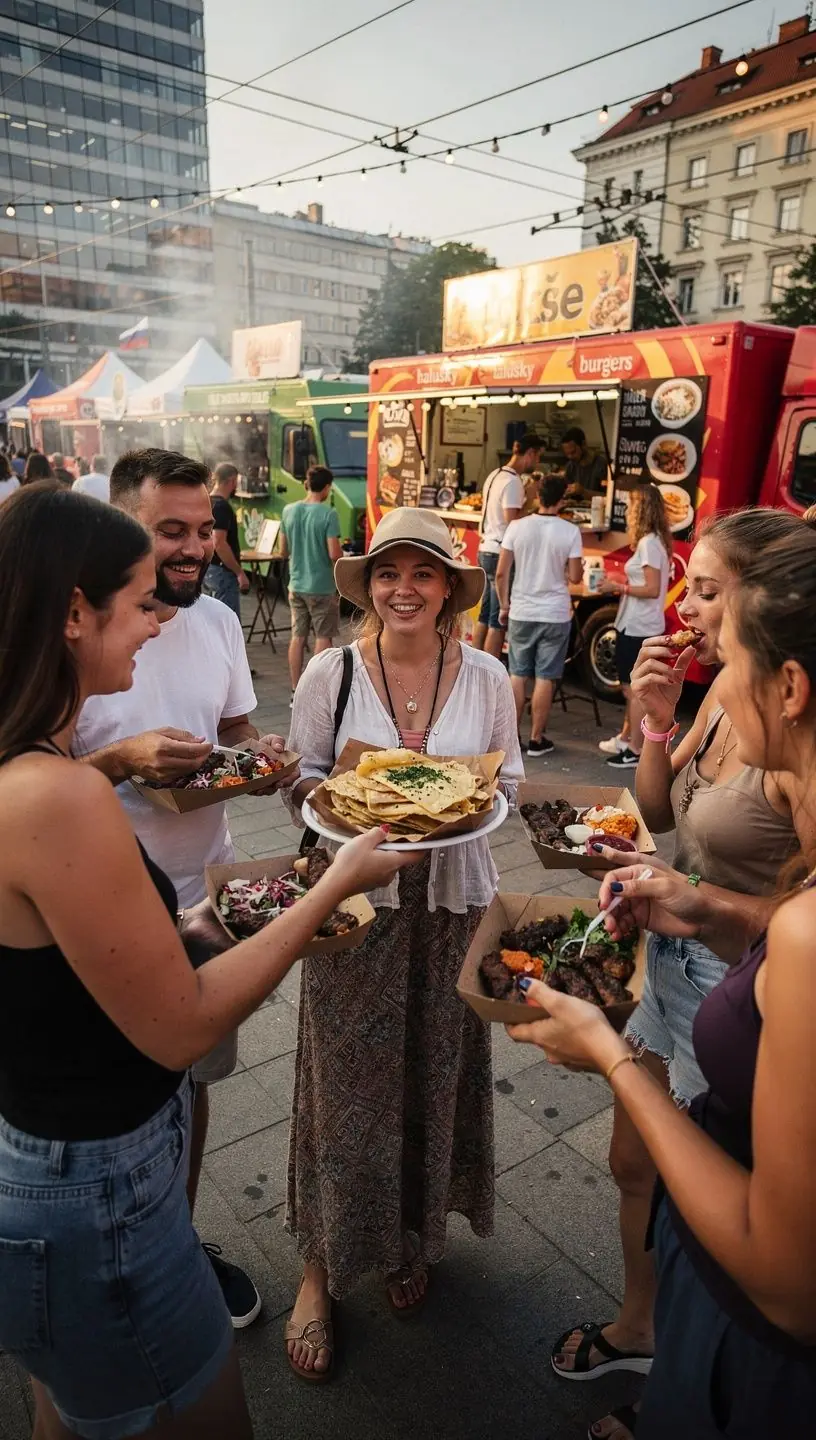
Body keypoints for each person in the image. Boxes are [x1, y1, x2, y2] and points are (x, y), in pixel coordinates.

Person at [0, 481, 410, 1440]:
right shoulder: (59, 796)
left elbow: (91, 973)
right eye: (141, 601)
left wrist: (230, 908)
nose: (154, 625)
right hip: (98, 1187)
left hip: (53, 1160)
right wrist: (331, 883)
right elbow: (182, 1020)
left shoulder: (30, 768)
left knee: (71, 1398)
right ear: (71, 613)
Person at [511, 523, 816, 1439]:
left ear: (792, 683)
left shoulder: (801, 934)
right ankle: (655, 1340)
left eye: (719, 605)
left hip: (765, 1361)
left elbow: (784, 1273)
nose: (694, 620)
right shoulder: (724, 699)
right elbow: (655, 807)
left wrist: (606, 1052)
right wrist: (697, 901)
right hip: (693, 971)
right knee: (637, 1166)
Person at [283, 507, 524, 1381]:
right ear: (369, 587)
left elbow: (508, 782)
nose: (404, 589)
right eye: (389, 574)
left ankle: (407, 1238)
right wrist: (329, 798)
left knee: (434, 1067)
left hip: (454, 902)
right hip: (358, 907)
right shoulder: (331, 671)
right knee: (342, 1079)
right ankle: (319, 1268)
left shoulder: (489, 674)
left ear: (452, 589)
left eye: (424, 574)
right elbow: (307, 784)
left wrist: (455, 809)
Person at [75, 447, 290, 1328]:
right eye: (172, 531)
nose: (198, 546)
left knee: (195, 1080)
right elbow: (27, 783)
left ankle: (181, 1243)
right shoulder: (81, 628)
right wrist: (119, 760)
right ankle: (97, 1264)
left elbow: (232, 727)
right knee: (103, 1096)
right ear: (124, 529)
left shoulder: (216, 621)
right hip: (96, 907)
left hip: (206, 887)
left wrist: (263, 757)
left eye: (207, 528)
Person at [495, 474, 583, 757]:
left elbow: (500, 572)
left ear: (537, 496)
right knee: (545, 676)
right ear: (562, 499)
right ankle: (536, 739)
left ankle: (510, 740)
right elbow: (575, 576)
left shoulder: (517, 527)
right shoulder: (570, 532)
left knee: (517, 674)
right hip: (555, 613)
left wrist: (504, 604)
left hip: (521, 610)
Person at [600, 484, 672, 768]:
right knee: (632, 687)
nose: (628, 511)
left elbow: (652, 589)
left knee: (634, 688)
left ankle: (634, 749)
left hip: (640, 626)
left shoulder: (649, 544)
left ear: (641, 510)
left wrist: (620, 586)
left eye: (632, 506)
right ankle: (627, 735)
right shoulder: (653, 542)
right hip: (636, 623)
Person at [473, 431, 541, 658]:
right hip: (500, 553)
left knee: (485, 614)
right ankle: (489, 673)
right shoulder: (513, 482)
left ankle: (473, 664)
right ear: (529, 453)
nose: (537, 462)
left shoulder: (495, 474)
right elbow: (513, 522)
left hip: (485, 548)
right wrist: (531, 500)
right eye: (538, 457)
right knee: (497, 618)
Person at [280, 463, 342, 694]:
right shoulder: (328, 514)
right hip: (322, 586)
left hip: (296, 584)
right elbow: (334, 553)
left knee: (297, 636)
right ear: (326, 487)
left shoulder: (289, 511)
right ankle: (314, 691)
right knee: (323, 637)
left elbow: (282, 551)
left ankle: (296, 690)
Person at [203, 461, 249, 620]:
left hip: (209, 569)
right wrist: (239, 572)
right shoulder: (222, 506)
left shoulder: (207, 502)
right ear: (232, 480)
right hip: (222, 572)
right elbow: (219, 543)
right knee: (227, 623)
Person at [560, 427, 609, 497]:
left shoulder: (601, 465)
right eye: (567, 454)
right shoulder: (570, 466)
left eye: (573, 452)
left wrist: (583, 492)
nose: (570, 457)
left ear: (583, 444)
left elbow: (607, 496)